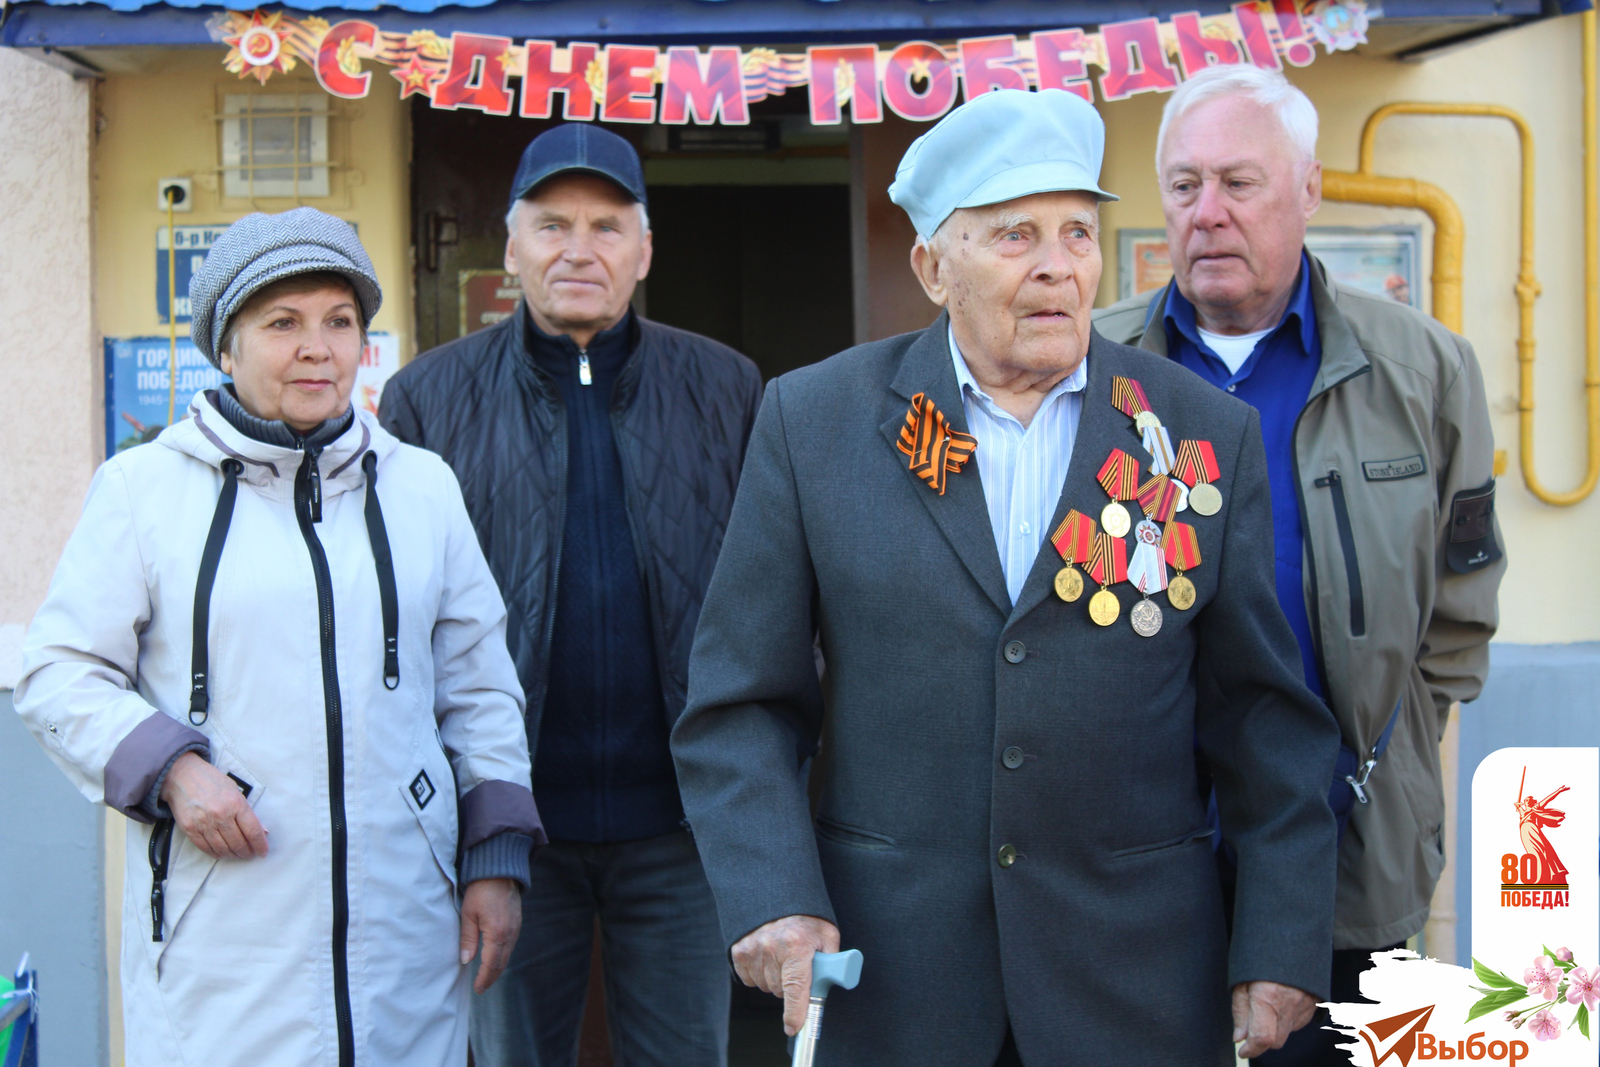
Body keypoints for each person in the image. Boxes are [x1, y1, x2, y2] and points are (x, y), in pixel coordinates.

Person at [671, 87, 1341, 1066]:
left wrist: (1281, 940)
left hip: (1134, 984)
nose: (1056, 266)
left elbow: (1263, 718)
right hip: (899, 982)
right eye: (1014, 235)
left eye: (1077, 232)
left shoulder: (1193, 432)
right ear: (932, 267)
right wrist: (773, 890)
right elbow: (739, 706)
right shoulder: (816, 424)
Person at [13, 207, 544, 1066]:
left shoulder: (422, 488)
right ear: (226, 345)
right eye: (282, 323)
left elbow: (479, 687)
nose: (317, 347)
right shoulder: (143, 490)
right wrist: (175, 770)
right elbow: (58, 672)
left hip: (406, 933)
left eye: (340, 322)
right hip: (220, 930)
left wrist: (494, 856)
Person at [1095, 65, 1505, 1063]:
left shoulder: (1423, 370)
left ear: (1308, 190)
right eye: (1184, 185)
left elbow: (1460, 611)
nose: (1207, 213)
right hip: (1136, 857)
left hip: (1344, 847)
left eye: (1240, 183)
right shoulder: (1097, 367)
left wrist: (1381, 750)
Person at [379, 124, 763, 1067]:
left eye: (605, 225)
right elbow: (393, 625)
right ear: (510, 249)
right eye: (551, 226)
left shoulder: (729, 387)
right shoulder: (427, 400)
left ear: (643, 250)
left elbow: (780, 599)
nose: (578, 249)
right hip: (509, 837)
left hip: (682, 829)